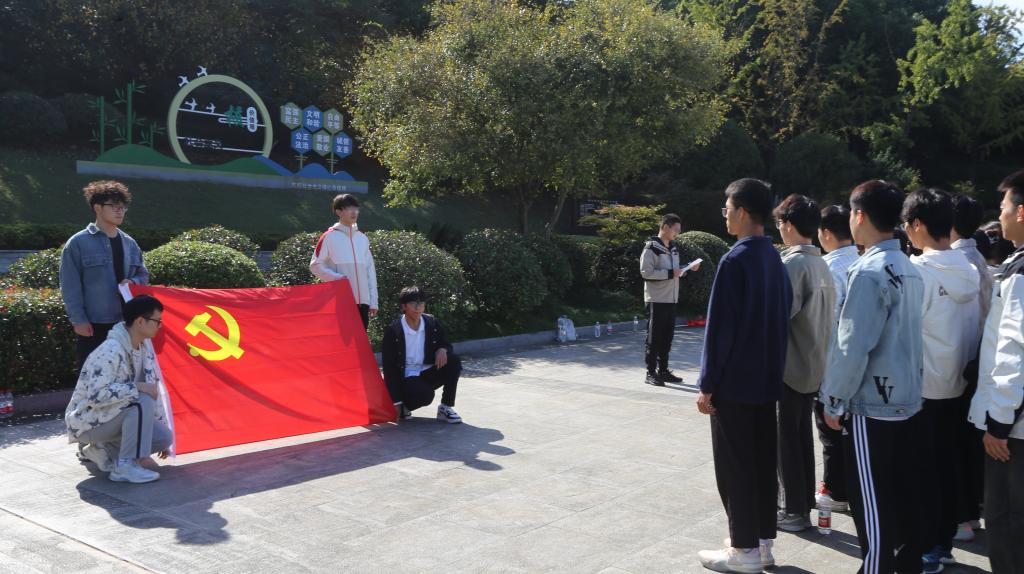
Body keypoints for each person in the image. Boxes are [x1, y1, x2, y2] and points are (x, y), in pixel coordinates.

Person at [820, 180, 925, 574]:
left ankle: (876, 567)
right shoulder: (908, 266)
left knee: (871, 499)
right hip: (907, 398)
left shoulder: (868, 271)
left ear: (860, 215)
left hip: (872, 402)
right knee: (901, 492)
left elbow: (852, 345)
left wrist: (833, 398)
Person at [697, 179, 792, 573]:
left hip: (735, 384)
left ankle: (744, 549)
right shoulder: (775, 259)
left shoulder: (734, 261)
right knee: (762, 463)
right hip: (767, 381)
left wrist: (707, 384)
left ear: (742, 211)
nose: (725, 214)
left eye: (727, 207)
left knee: (735, 465)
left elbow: (720, 331)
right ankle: (762, 542)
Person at [902, 188, 981, 572]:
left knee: (922, 472)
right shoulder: (970, 268)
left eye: (906, 224)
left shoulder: (918, 272)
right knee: (949, 466)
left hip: (925, 387)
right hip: (961, 384)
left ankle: (928, 548)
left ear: (917, 224)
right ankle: (943, 543)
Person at [968, 170, 1024, 574]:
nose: (1000, 215)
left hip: (1015, 428)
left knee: (1007, 524)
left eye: (1004, 207)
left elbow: (1014, 351)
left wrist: (999, 422)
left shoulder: (1020, 272)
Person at [773, 194, 835, 532]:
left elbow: (778, 316)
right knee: (799, 438)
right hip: (813, 366)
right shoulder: (820, 263)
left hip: (790, 367)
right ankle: (802, 504)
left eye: (780, 222)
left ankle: (793, 510)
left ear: (789, 225)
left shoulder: (793, 264)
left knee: (786, 441)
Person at [65, 295, 171, 484]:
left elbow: (153, 391)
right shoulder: (110, 350)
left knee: (163, 437)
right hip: (87, 423)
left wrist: (159, 424)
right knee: (141, 400)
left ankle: (102, 450)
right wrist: (137, 387)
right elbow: (96, 396)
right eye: (157, 321)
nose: (159, 326)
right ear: (140, 321)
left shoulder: (144, 349)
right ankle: (125, 466)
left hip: (112, 417)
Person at [59, 180, 149, 371]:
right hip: (94, 324)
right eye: (114, 206)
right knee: (92, 376)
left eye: (123, 207)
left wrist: (132, 281)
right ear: (97, 208)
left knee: (125, 375)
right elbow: (70, 286)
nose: (120, 211)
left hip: (127, 323)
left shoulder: (130, 243)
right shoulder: (78, 243)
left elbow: (143, 274)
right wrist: (79, 320)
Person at [950, 193, 993, 542]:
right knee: (970, 444)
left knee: (956, 447)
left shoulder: (956, 261)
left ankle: (962, 518)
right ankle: (973, 513)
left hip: (958, 367)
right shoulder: (977, 257)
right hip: (977, 364)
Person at [814, 204, 859, 513]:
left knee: (830, 432)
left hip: (832, 365)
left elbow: (824, 325)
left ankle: (835, 490)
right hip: (862, 367)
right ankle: (852, 487)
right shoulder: (863, 261)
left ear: (827, 233)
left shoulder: (827, 270)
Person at [381, 286, 462, 423]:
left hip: (426, 371)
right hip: (406, 377)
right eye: (413, 303)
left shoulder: (431, 322)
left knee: (453, 361)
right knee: (426, 395)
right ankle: (404, 407)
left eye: (421, 303)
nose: (418, 307)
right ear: (404, 306)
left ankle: (445, 407)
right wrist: (396, 401)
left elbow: (445, 343)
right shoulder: (394, 330)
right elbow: (389, 368)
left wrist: (442, 349)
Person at [640, 213, 699, 386]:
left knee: (667, 338)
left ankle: (663, 371)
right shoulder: (651, 248)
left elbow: (674, 272)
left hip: (671, 299)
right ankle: (650, 373)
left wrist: (686, 268)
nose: (677, 234)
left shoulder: (673, 248)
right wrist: (671, 273)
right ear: (665, 227)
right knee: (654, 338)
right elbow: (646, 273)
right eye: (676, 230)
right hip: (656, 299)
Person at [310, 193, 379, 329]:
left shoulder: (363, 238)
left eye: (356, 208)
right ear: (338, 212)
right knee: (342, 341)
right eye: (349, 208)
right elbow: (315, 265)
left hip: (363, 303)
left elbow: (370, 271)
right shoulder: (328, 237)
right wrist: (338, 278)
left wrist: (373, 301)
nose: (354, 212)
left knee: (360, 340)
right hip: (340, 301)